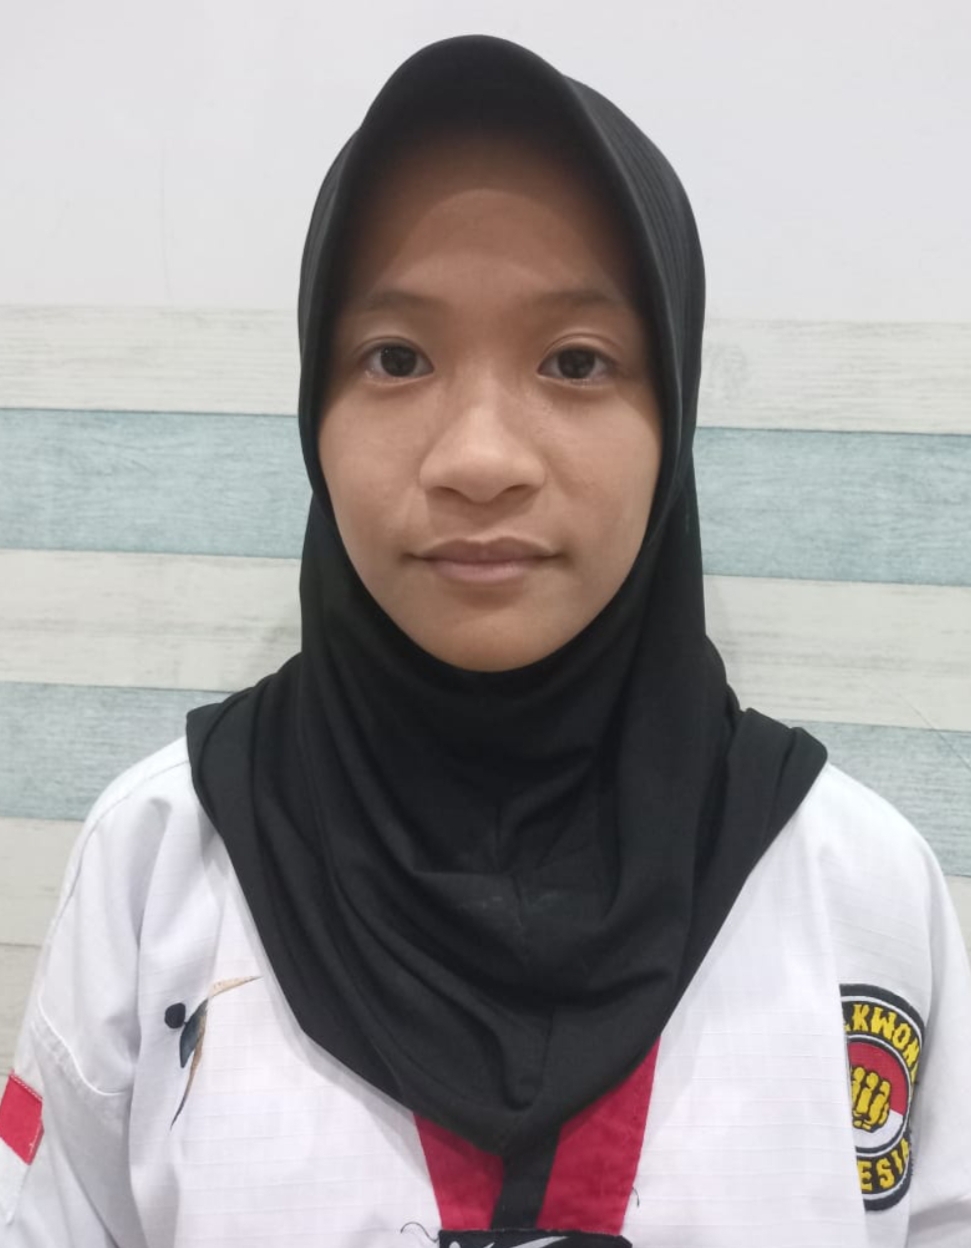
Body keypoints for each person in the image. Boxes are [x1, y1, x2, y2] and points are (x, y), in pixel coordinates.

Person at [1, 33, 968, 1248]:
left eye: (576, 362)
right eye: (395, 358)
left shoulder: (852, 885)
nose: (478, 459)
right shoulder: (160, 863)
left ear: (671, 412)